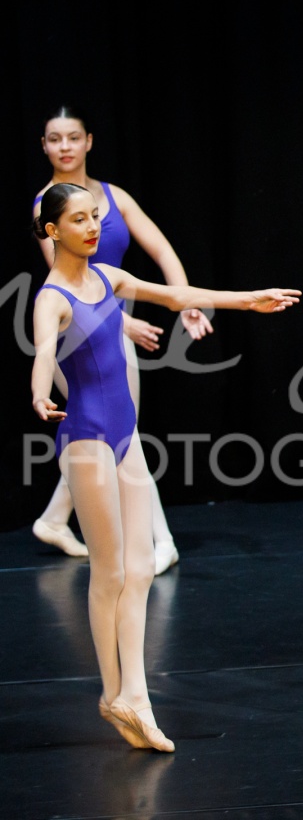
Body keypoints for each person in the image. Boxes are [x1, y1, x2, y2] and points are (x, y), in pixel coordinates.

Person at [31, 182, 301, 750]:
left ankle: (135, 695)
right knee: (109, 573)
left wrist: (248, 299)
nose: (92, 227)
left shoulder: (110, 278)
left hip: (124, 434)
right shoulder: (52, 298)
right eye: (78, 220)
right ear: (53, 231)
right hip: (86, 439)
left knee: (141, 570)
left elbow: (177, 295)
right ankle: (113, 693)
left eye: (95, 216)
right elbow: (44, 353)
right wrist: (38, 393)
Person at [31, 105, 214, 575]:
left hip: (115, 331)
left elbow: (162, 250)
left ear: (89, 141)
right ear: (44, 146)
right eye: (55, 139)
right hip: (79, 337)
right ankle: (162, 540)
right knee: (118, 433)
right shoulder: (47, 204)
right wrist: (122, 323)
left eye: (73, 137)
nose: (65, 147)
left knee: (114, 433)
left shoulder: (114, 197)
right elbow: (67, 279)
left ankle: (54, 520)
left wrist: (185, 301)